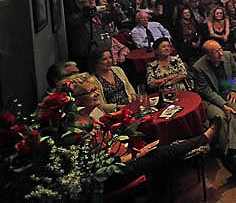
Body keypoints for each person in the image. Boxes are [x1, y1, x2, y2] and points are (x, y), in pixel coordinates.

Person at [58, 73, 217, 194]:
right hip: (116, 172)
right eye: (91, 91)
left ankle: (163, 187)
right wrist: (138, 154)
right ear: (76, 100)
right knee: (161, 151)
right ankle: (203, 138)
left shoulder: (88, 117)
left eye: (95, 90)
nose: (96, 93)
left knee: (156, 143)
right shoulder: (78, 129)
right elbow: (101, 168)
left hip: (122, 153)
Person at [191, 40, 236, 176]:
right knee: (220, 116)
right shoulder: (198, 67)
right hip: (211, 100)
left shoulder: (228, 56)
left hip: (229, 93)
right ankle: (230, 155)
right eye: (216, 52)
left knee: (234, 113)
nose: (221, 53)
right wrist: (224, 105)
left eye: (220, 49)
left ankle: (232, 152)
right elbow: (206, 91)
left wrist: (233, 88)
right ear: (207, 56)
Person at [67, 0, 113, 70]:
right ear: (79, 4)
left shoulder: (99, 15)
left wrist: (113, 8)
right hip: (87, 58)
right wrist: (87, 12)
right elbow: (79, 21)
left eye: (93, 0)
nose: (92, 2)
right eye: (87, 1)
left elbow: (114, 17)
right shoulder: (75, 18)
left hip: (104, 54)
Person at [88, 46, 137, 113]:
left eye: (110, 58)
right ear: (96, 62)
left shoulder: (117, 70)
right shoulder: (92, 80)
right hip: (113, 113)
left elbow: (129, 87)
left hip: (129, 106)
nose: (109, 61)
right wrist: (118, 107)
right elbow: (100, 105)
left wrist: (133, 96)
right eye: (104, 59)